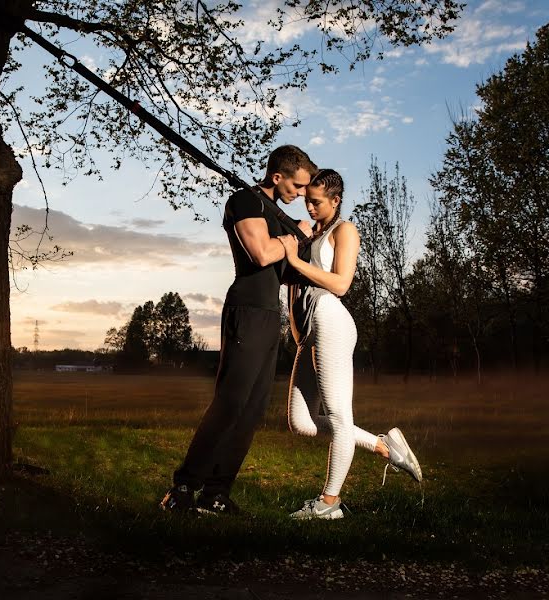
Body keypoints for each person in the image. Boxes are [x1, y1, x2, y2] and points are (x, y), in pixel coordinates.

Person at [160, 145, 317, 514]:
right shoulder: (244, 202)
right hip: (245, 309)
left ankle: (215, 494)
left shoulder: (279, 215)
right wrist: (296, 238)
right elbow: (261, 254)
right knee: (230, 403)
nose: (300, 194)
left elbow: (286, 270)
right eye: (296, 186)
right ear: (277, 177)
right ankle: (183, 488)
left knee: (252, 410)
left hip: (268, 313)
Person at [280, 169, 422, 520]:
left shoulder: (346, 230)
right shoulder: (306, 232)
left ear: (335, 200)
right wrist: (298, 336)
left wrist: (296, 260)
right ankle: (381, 445)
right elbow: (294, 288)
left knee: (340, 419)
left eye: (316, 202)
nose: (309, 207)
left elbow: (341, 284)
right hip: (309, 330)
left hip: (332, 319)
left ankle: (329, 504)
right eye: (306, 200)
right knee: (301, 422)